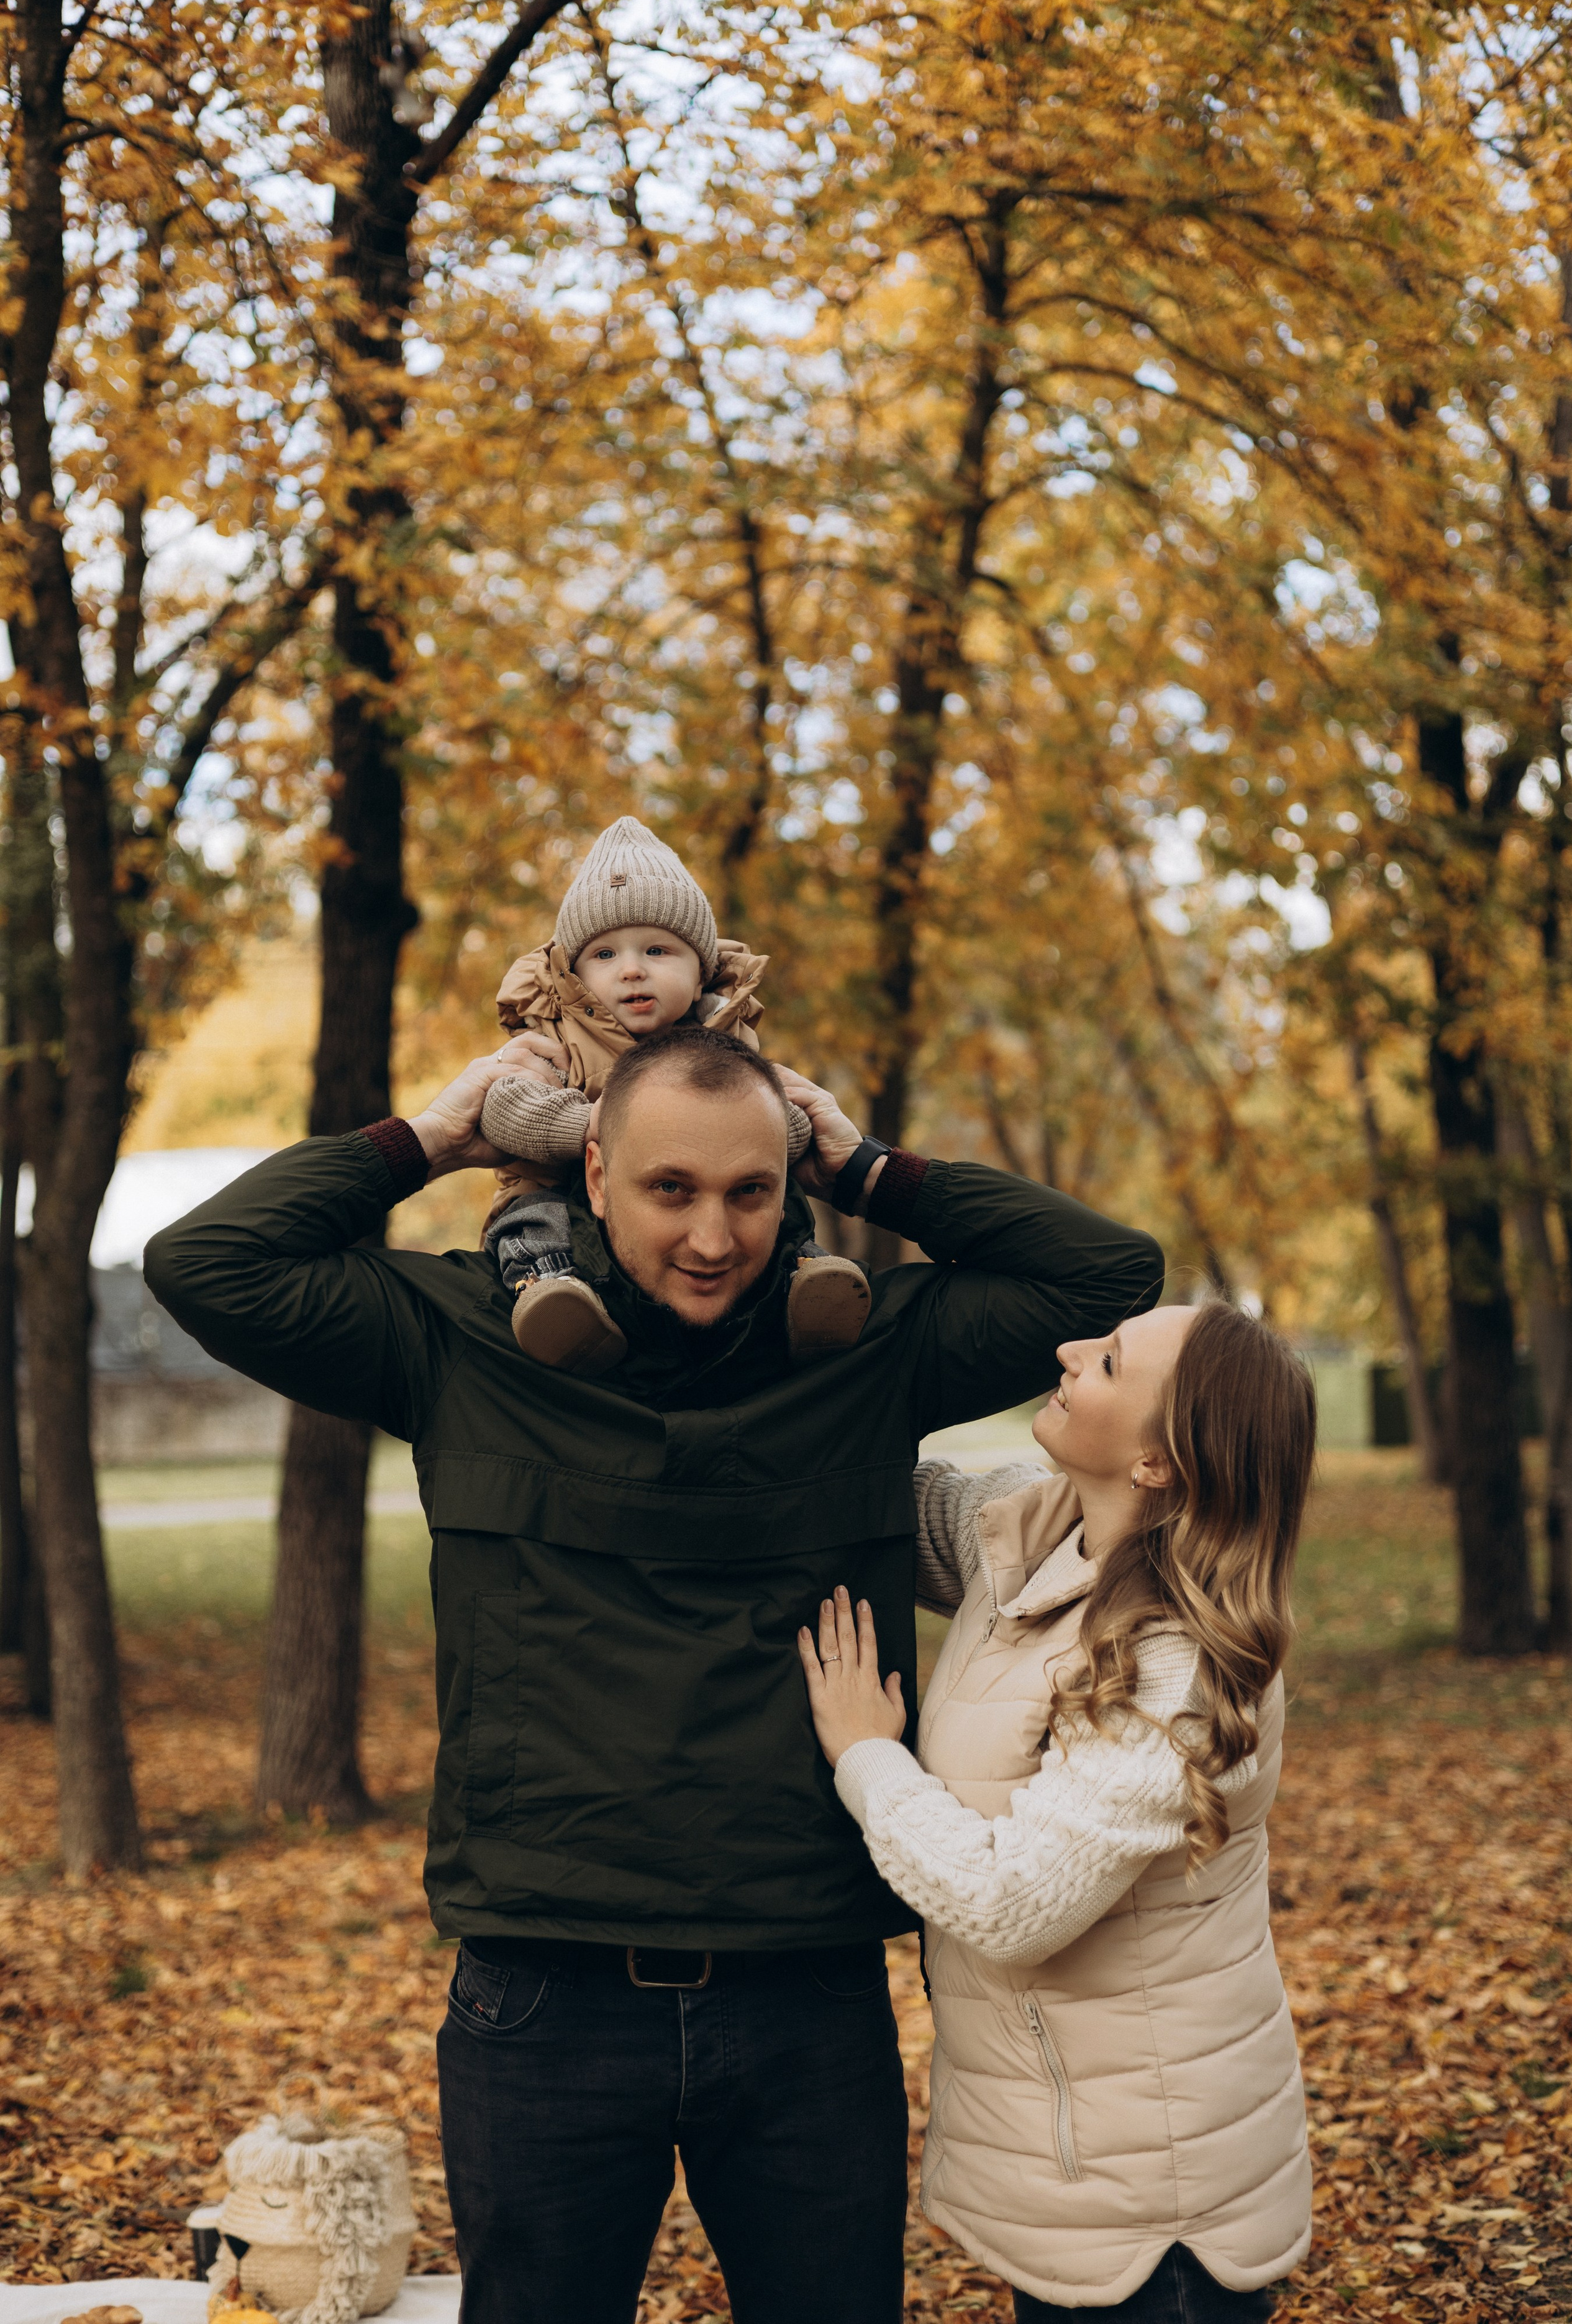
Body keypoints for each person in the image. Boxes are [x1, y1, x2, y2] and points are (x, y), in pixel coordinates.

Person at [143, 1024, 1164, 2324]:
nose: (711, 1237)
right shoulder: (464, 1339)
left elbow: (1107, 1273)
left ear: (787, 1190)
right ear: (591, 1180)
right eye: (667, 1189)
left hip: (803, 1985)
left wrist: (864, 1166)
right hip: (546, 1994)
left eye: (750, 1192)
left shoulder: (864, 1351)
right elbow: (206, 1264)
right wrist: (435, 1136)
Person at [799, 1301, 1315, 2320]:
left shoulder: (1181, 1672)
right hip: (1081, 2174)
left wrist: (864, 1752)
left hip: (1158, 2215)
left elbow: (1013, 1904)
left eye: (1111, 1360)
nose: (1071, 1352)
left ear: (1159, 1463)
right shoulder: (1037, 1535)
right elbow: (866, 1486)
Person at [478, 813, 868, 1369]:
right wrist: (592, 1124)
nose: (632, 971)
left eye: (657, 952)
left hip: (695, 1205)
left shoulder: (728, 1036)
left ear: (702, 967)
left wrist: (782, 1130)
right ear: (575, 975)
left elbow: (788, 1115)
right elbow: (505, 1111)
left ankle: (808, 1282)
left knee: (778, 1205)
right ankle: (556, 1302)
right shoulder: (554, 1036)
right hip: (559, 1188)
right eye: (605, 956)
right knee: (532, 1222)